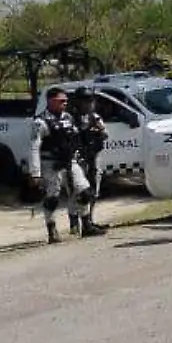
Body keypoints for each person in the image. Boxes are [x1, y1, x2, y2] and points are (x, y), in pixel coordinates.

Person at [27, 87, 104, 243]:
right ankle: (51, 229)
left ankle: (86, 224)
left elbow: (76, 138)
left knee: (85, 191)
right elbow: (34, 147)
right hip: (50, 163)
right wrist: (35, 173)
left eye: (66, 101)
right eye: (61, 101)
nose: (65, 103)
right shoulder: (40, 122)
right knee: (52, 197)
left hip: (71, 161)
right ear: (50, 101)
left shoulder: (68, 117)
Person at [67, 87, 112, 235]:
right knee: (78, 191)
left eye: (90, 101)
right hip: (78, 158)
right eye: (85, 101)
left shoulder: (95, 117)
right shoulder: (70, 118)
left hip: (94, 157)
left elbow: (105, 135)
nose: (89, 104)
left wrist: (98, 128)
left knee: (93, 190)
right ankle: (75, 223)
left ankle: (89, 220)